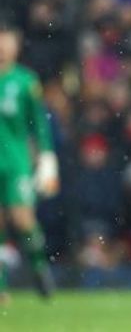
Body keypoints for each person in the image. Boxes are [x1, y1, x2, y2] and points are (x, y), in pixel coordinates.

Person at [0, 26, 59, 304]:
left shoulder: (25, 81)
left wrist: (47, 157)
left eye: (7, 43)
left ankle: (39, 266)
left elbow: (39, 124)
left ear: (15, 46)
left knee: (23, 218)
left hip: (16, 162)